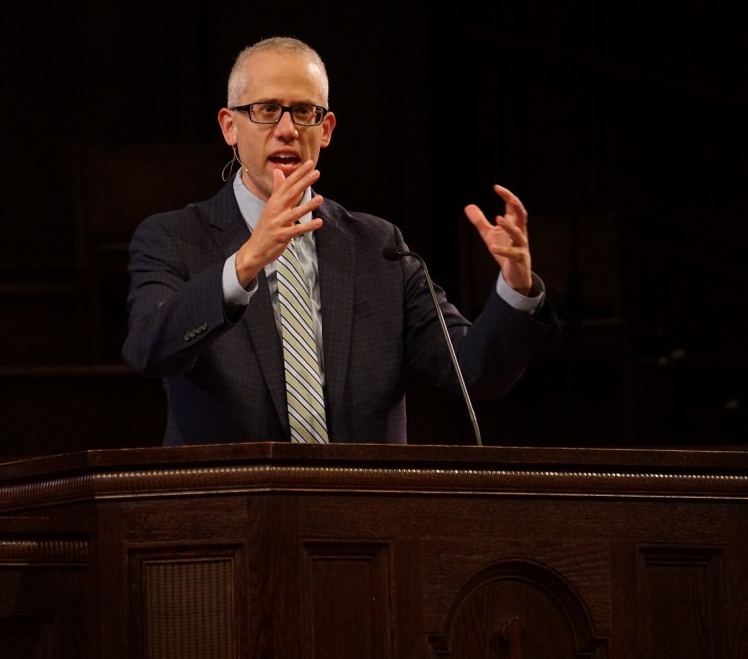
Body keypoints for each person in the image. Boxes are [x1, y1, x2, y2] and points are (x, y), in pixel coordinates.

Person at [123, 36, 558, 446]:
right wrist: (243, 265)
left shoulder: (379, 247)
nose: (287, 129)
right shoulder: (173, 238)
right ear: (229, 127)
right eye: (267, 109)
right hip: (232, 513)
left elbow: (477, 373)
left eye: (305, 112)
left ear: (326, 128)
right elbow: (148, 348)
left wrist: (516, 289)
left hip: (360, 515)